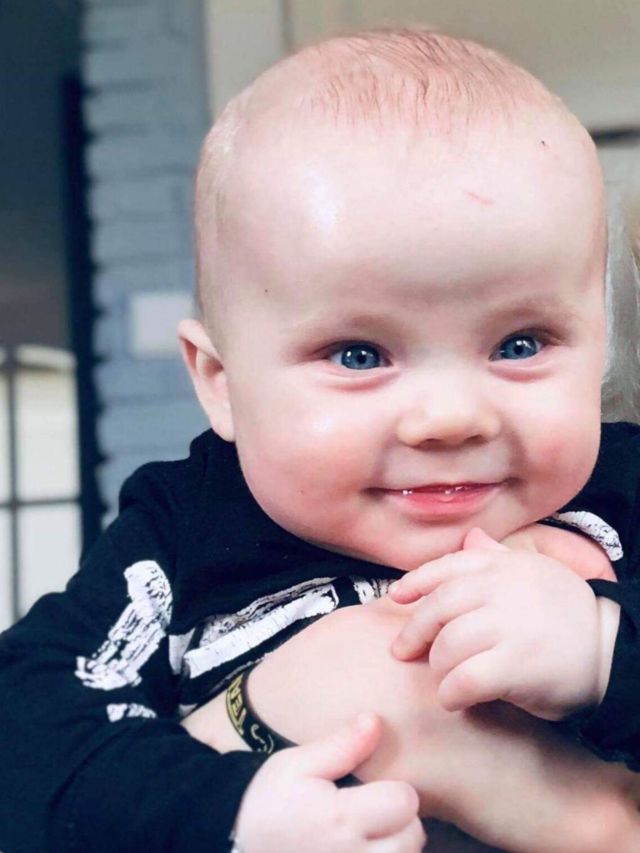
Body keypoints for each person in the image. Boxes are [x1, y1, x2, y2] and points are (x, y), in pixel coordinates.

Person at [2, 25, 640, 853]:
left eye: (520, 343)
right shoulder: (187, 524)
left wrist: (603, 648)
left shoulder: (621, 485)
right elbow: (27, 731)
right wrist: (231, 809)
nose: (450, 416)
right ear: (220, 381)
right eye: (358, 354)